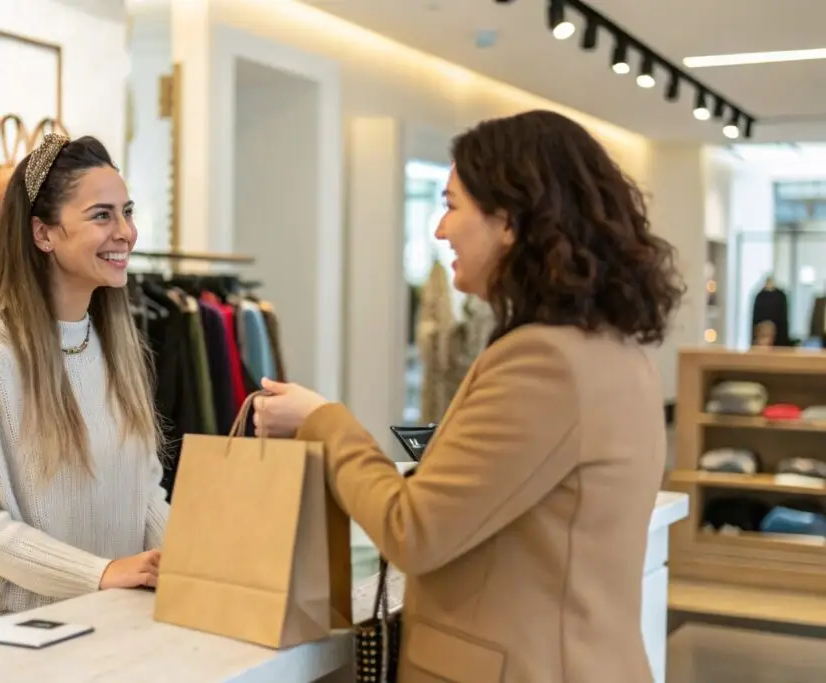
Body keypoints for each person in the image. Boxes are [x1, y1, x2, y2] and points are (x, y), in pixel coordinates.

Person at [255, 110, 684, 683]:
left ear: (509, 219)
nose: (439, 230)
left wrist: (325, 422)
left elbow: (415, 531)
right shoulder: (612, 349)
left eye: (452, 205)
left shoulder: (545, 362)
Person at [0, 134, 169, 632]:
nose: (125, 231)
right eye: (102, 215)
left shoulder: (116, 349)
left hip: (108, 626)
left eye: (127, 212)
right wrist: (99, 573)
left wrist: (182, 565)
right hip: (11, 644)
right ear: (44, 233)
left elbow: (144, 490)